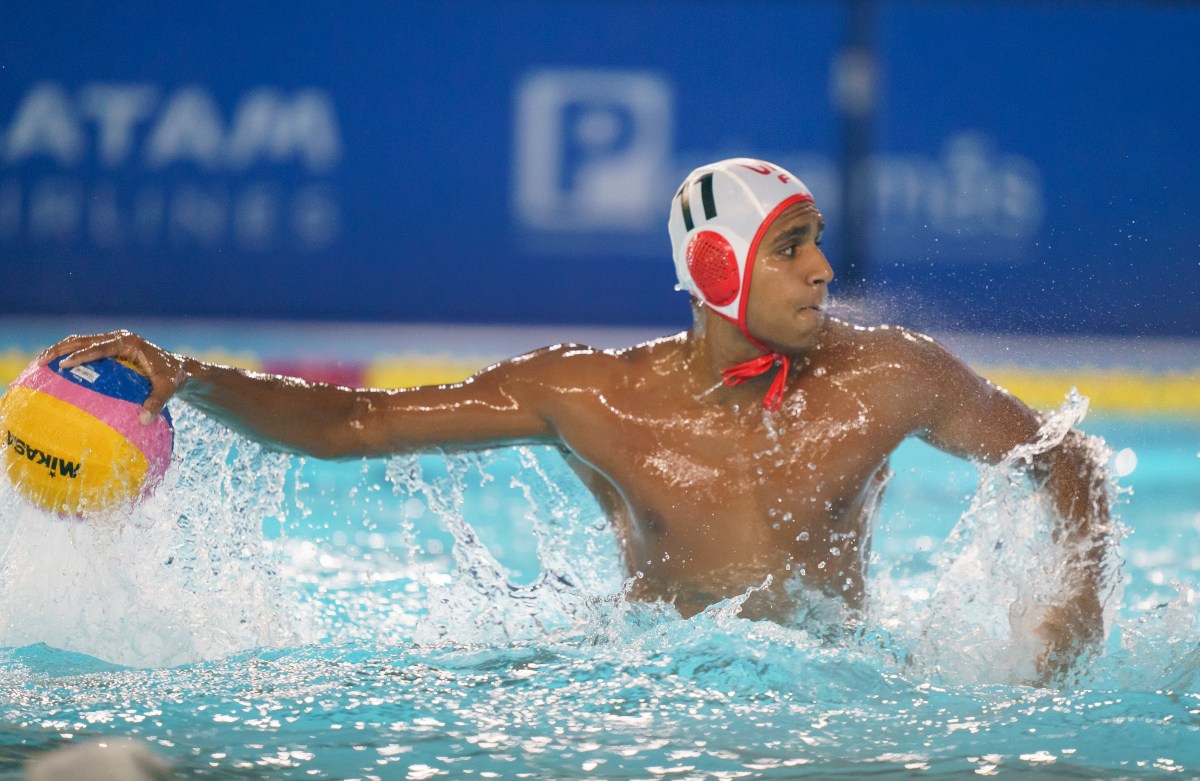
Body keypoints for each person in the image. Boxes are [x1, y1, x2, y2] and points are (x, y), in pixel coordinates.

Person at [40, 158, 1111, 680]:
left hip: (842, 686)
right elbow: (353, 425)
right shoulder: (593, 396)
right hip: (656, 690)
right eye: (793, 247)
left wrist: (1066, 615)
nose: (826, 269)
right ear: (713, 265)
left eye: (819, 240)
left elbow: (1067, 462)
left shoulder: (891, 376)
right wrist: (191, 374)